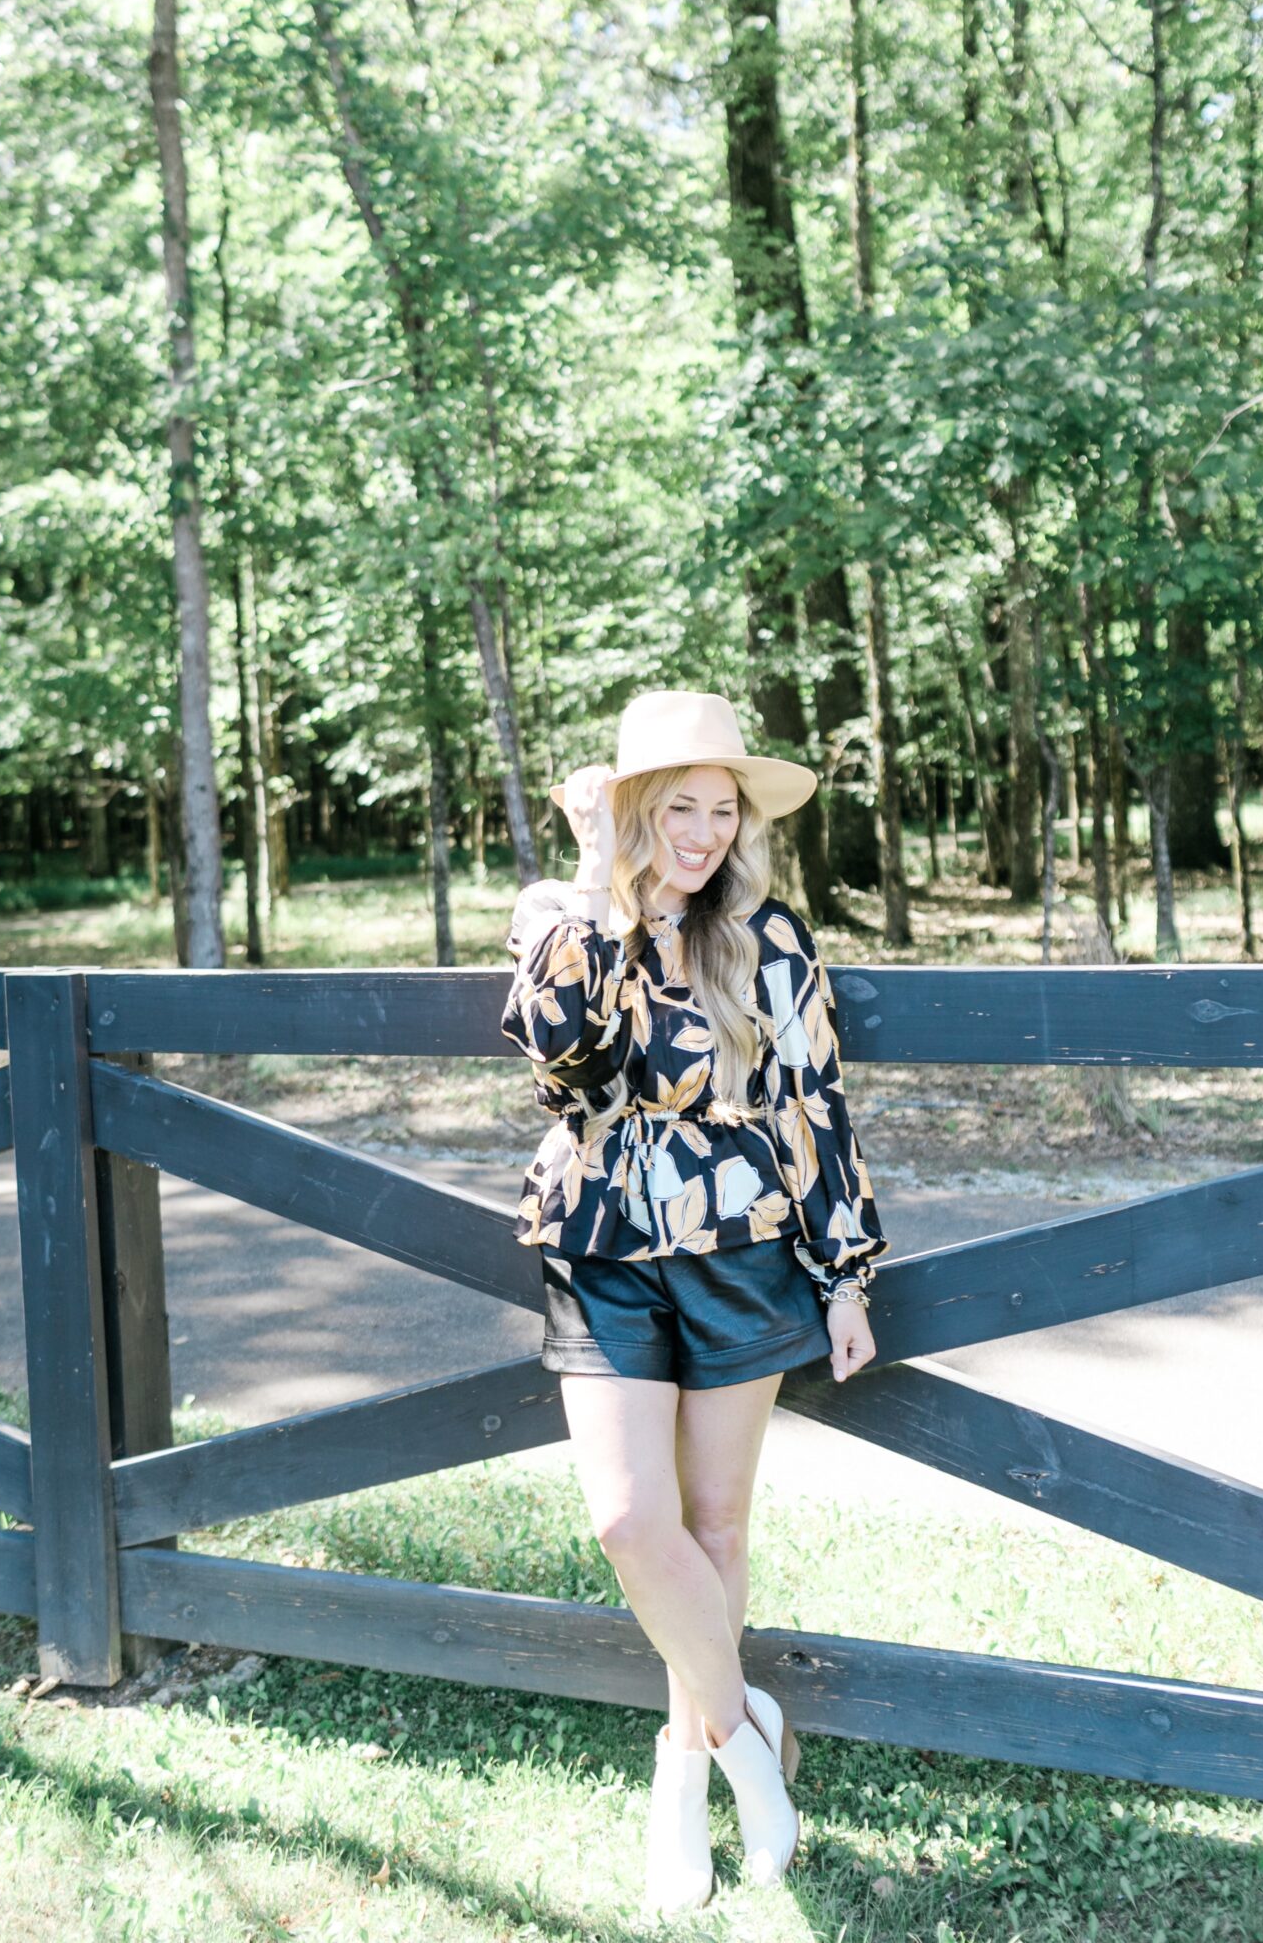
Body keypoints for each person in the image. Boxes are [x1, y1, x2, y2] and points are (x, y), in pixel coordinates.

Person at [499, 688, 890, 1916]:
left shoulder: (766, 937)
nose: (707, 831)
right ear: (632, 809)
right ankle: (744, 1733)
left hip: (742, 1247)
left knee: (717, 1528)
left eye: (723, 809)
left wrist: (845, 1270)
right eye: (681, 807)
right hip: (605, 1239)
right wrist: (596, 878)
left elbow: (812, 1101)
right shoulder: (563, 920)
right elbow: (561, 1050)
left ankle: (680, 1776)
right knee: (629, 1519)